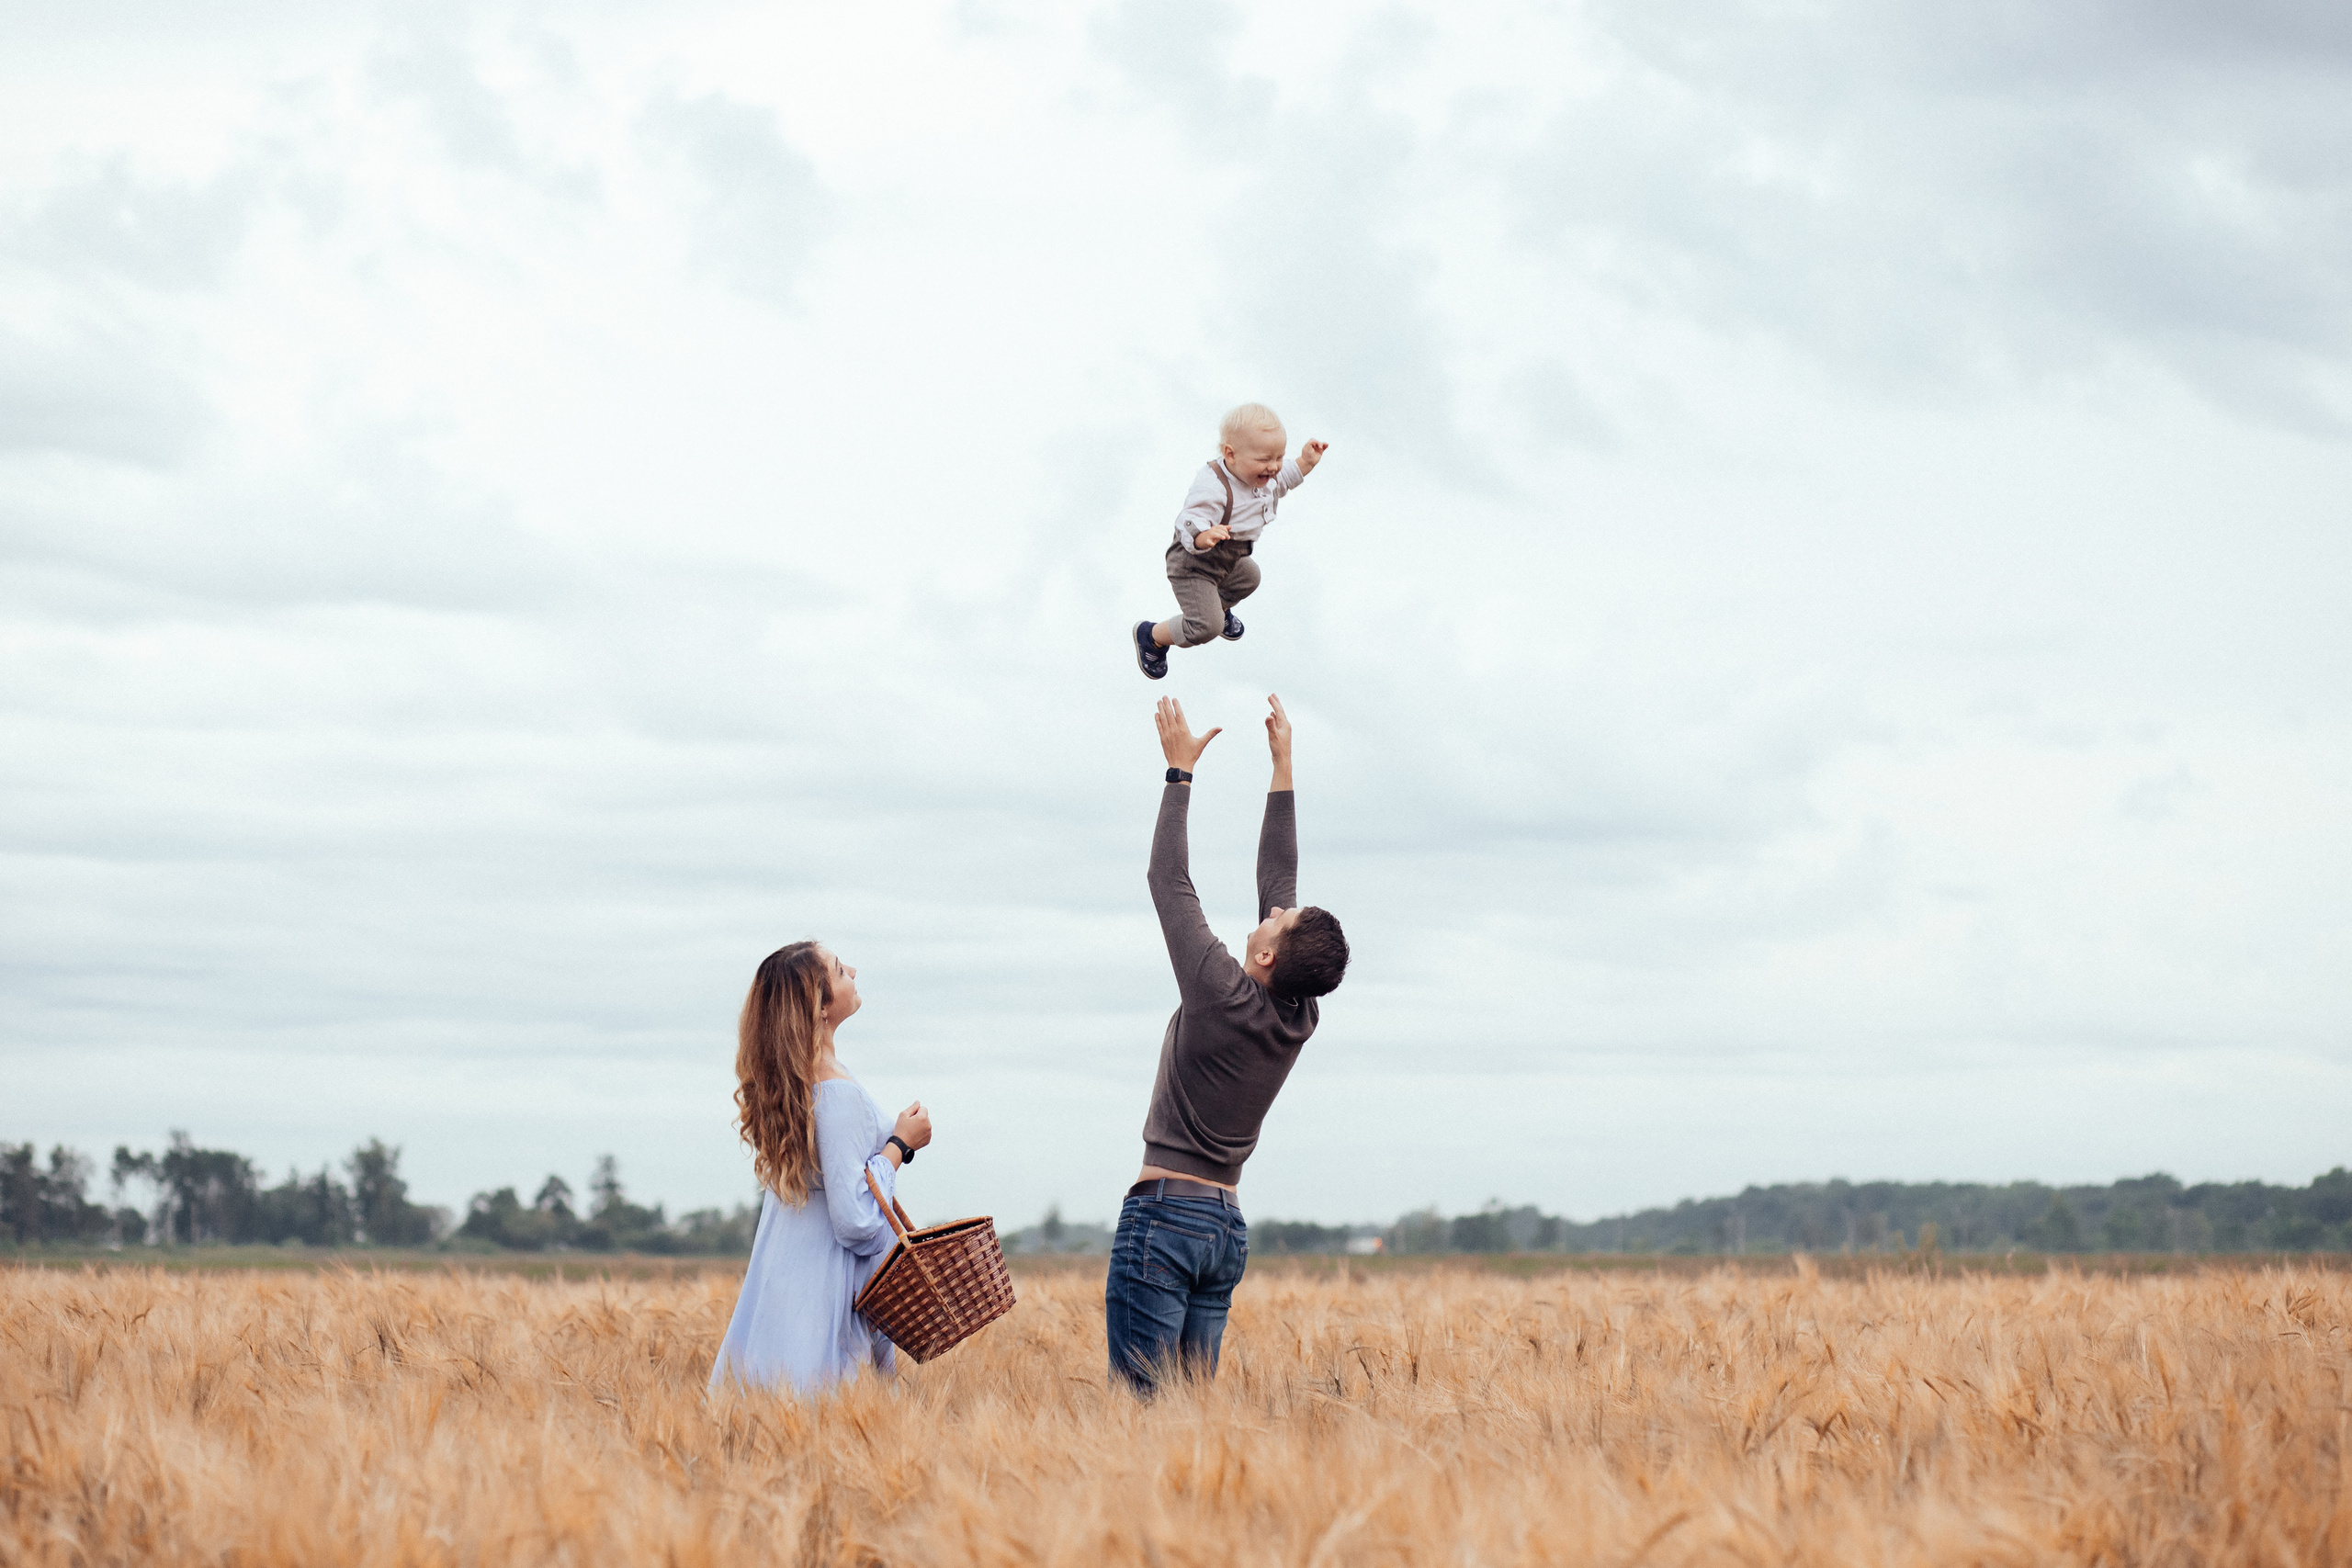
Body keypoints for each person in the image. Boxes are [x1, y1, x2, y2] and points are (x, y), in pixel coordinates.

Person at [1103, 693, 1351, 1393]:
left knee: (1141, 1420)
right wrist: (1283, 767)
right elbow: (1279, 879)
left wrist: (1178, 775)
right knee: (1192, 1429)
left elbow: (1169, 882)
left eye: (1281, 922)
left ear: (1271, 957)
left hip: (1166, 1218)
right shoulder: (1297, 1014)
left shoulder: (1219, 991)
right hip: (1223, 1229)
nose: (1273, 910)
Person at [708, 941, 934, 1396]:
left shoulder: (798, 1086)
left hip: (784, 1272)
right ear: (820, 1004)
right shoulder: (837, 1094)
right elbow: (855, 1223)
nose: (853, 968)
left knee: (769, 1405)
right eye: (838, 970)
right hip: (823, 1287)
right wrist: (899, 1145)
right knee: (821, 1408)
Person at [1132, 404, 1329, 680]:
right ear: (1230, 454)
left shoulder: (1264, 478)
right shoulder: (1214, 485)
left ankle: (1219, 608)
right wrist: (1203, 536)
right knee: (1205, 628)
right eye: (1264, 460)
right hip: (1194, 563)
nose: (1273, 467)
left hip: (1228, 558)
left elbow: (1285, 478)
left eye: (1279, 457)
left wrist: (1306, 461)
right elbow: (1190, 518)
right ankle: (1152, 636)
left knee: (1250, 576)